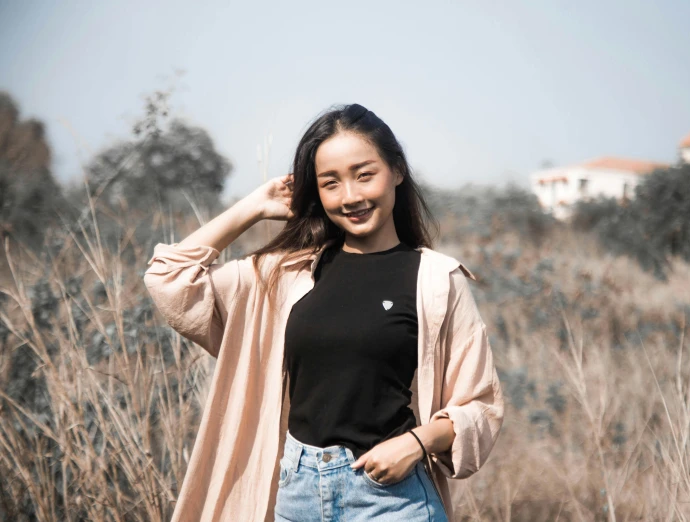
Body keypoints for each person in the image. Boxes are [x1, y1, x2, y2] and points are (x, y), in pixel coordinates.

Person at [143, 103, 504, 522]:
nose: (350, 197)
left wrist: (416, 444)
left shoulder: (436, 279)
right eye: (330, 183)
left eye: (364, 174)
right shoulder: (282, 277)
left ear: (397, 171)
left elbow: (480, 405)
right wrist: (254, 207)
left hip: (391, 499)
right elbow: (170, 279)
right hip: (295, 495)